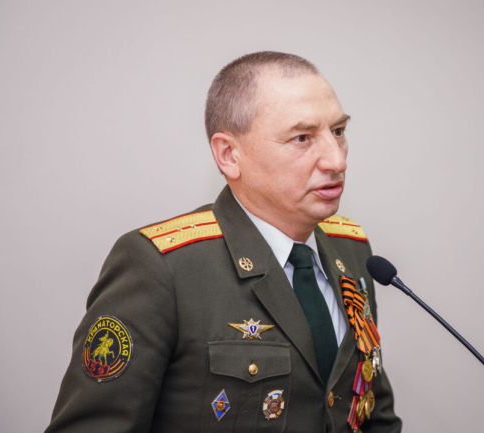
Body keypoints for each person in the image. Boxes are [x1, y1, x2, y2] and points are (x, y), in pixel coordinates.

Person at [46, 51, 402, 433]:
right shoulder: (163, 268)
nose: (337, 160)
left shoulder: (352, 250)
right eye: (302, 138)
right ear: (230, 155)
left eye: (339, 132)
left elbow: (373, 414)